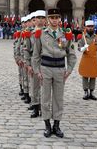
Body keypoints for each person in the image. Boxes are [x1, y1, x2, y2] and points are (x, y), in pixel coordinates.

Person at [32, 8, 76, 138]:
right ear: (48, 20)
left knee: (58, 98)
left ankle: (56, 125)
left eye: (57, 17)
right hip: (45, 69)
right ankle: (47, 125)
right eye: (52, 18)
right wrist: (37, 71)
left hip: (60, 70)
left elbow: (71, 55)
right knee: (45, 98)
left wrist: (69, 70)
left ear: (59, 19)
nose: (55, 20)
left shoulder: (65, 35)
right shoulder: (41, 34)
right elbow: (35, 55)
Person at [26, 10, 46, 118]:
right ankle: (35, 107)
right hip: (34, 62)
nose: (40, 20)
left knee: (45, 87)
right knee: (34, 86)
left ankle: (44, 108)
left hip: (46, 62)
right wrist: (28, 64)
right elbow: (27, 50)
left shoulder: (48, 33)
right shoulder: (30, 33)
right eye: (38, 18)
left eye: (42, 18)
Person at [77, 20, 97, 101]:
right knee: (85, 75)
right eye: (89, 27)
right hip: (85, 59)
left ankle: (91, 92)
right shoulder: (82, 37)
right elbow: (79, 47)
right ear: (86, 27)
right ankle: (85, 91)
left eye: (92, 26)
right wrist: (82, 48)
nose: (90, 28)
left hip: (94, 59)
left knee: (93, 75)